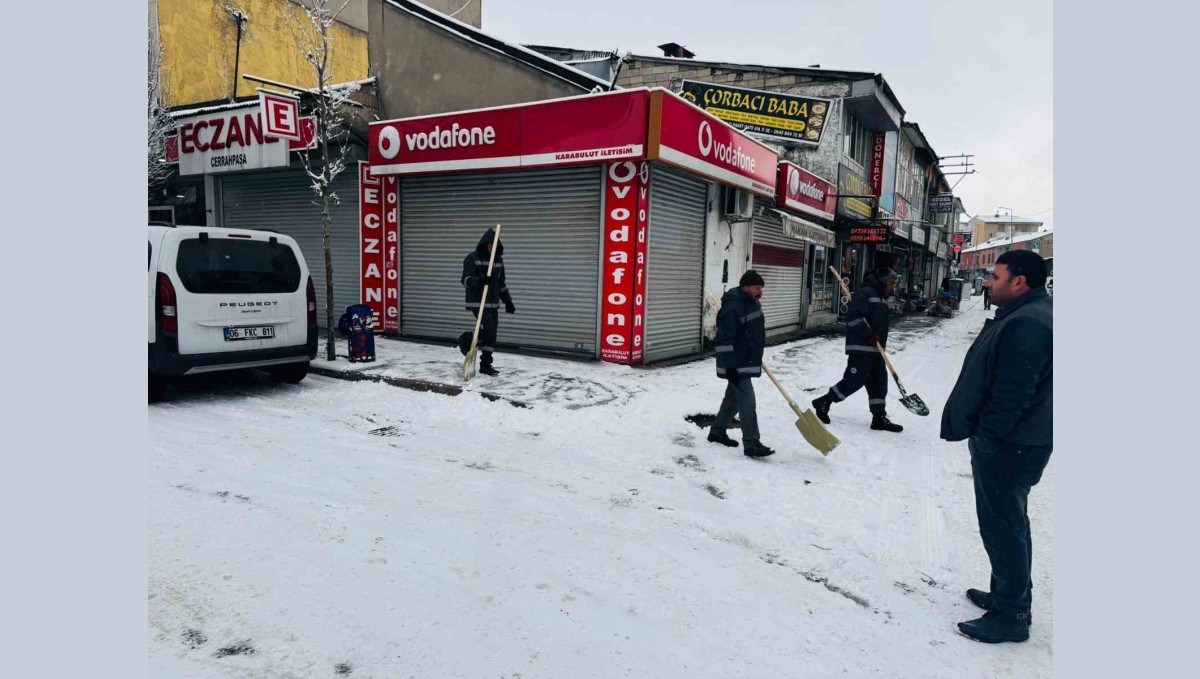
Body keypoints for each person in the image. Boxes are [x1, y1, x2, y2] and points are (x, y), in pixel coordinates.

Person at [940, 250, 1053, 644]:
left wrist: (988, 434)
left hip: (1010, 444)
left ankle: (1011, 616)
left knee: (1003, 528)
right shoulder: (1030, 314)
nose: (988, 282)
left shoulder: (1029, 324)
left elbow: (1013, 394)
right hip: (1018, 442)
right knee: (1011, 524)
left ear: (1019, 282)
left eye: (996, 276)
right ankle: (1009, 595)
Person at [810, 258, 904, 433]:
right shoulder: (865, 294)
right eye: (891, 283)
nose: (893, 287)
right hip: (862, 348)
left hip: (877, 349)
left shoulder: (882, 298)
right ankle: (824, 401)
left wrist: (878, 342)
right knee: (854, 380)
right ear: (883, 281)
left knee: (879, 383)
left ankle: (878, 418)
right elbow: (852, 317)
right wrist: (868, 334)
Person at [708, 270, 774, 458]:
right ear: (745, 287)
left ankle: (717, 432)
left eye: (761, 288)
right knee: (747, 401)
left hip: (745, 359)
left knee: (733, 399)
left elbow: (750, 333)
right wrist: (729, 367)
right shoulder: (733, 306)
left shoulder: (750, 302)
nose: (760, 291)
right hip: (735, 363)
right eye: (757, 287)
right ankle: (752, 443)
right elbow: (723, 338)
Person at [458, 228, 515, 376]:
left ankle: (485, 365)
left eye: (495, 245)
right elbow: (465, 280)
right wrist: (480, 280)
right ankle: (466, 340)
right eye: (490, 244)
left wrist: (508, 301)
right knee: (488, 329)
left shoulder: (498, 261)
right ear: (485, 244)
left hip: (493, 303)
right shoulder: (472, 258)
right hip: (478, 302)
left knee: (492, 333)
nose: (492, 248)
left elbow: (501, 284)